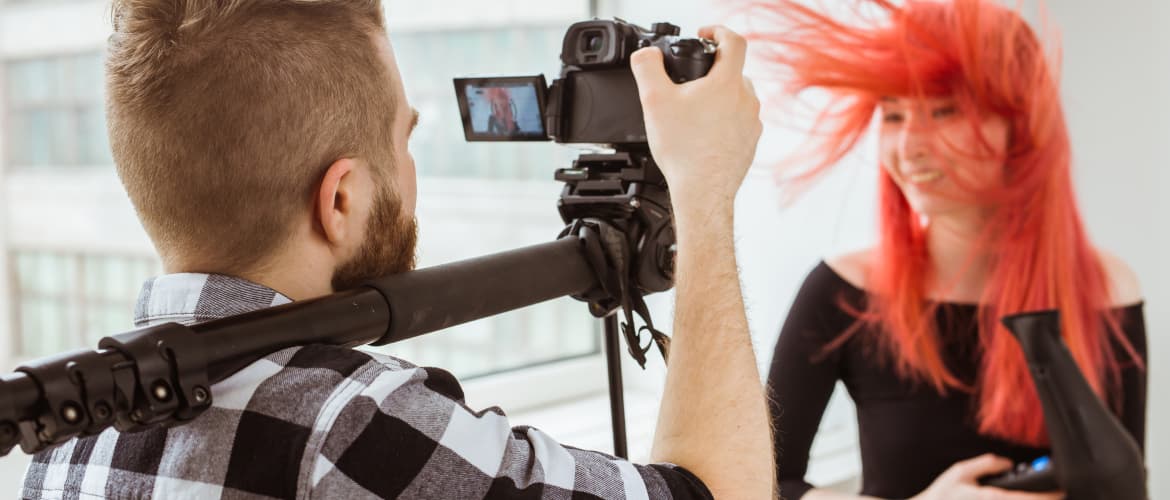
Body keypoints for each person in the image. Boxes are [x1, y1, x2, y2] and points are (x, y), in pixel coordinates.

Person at [20, 1, 773, 499]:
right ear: (341, 200)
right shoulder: (356, 425)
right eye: (404, 141)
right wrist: (704, 194)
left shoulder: (65, 444)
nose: (411, 174)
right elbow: (716, 492)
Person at [746, 1, 1148, 499]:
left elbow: (1127, 484)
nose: (909, 147)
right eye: (894, 115)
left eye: (943, 111)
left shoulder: (1106, 291)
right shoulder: (842, 292)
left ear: (1019, 125)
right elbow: (760, 484)